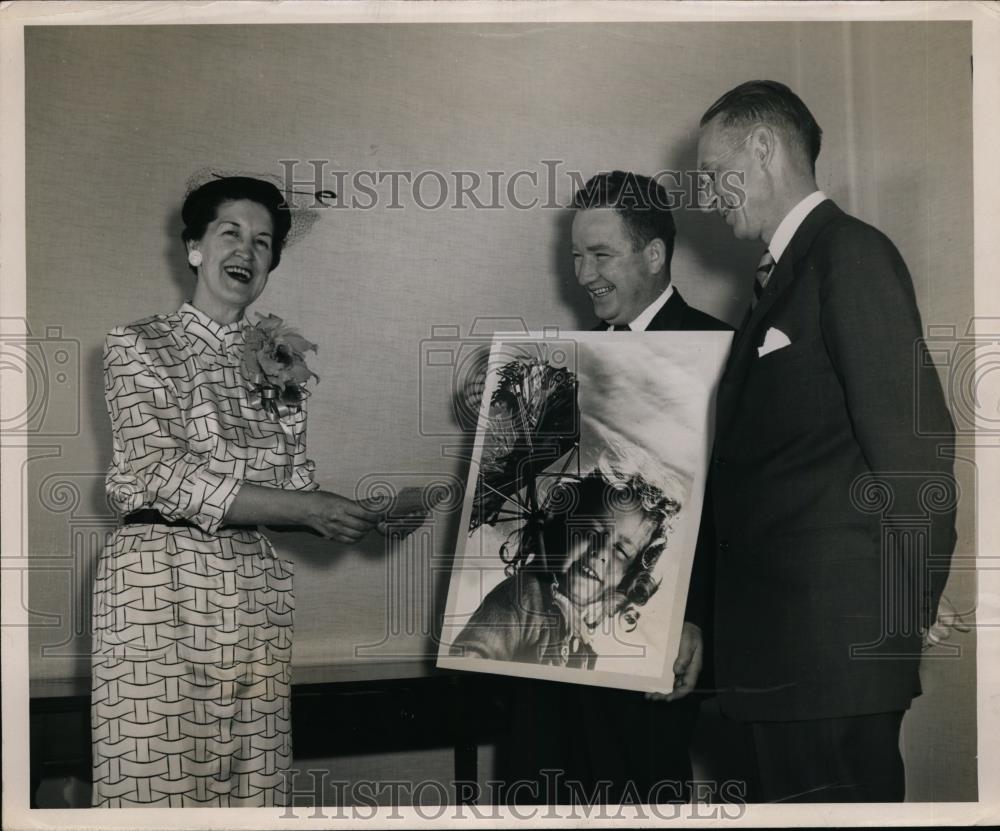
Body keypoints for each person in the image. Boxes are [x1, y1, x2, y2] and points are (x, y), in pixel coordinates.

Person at [695, 80, 957, 802]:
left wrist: (907, 608)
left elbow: (914, 453)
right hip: (785, 662)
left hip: (831, 661)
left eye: (716, 173)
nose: (711, 195)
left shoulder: (850, 254)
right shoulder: (784, 275)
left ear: (763, 147)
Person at [91, 175, 385, 807]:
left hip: (255, 587)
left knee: (253, 789)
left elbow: (294, 485)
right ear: (195, 247)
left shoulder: (282, 362)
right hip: (157, 582)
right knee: (156, 789)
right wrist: (308, 508)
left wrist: (345, 515)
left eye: (263, 242)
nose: (247, 252)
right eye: (230, 233)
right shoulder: (138, 345)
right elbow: (164, 474)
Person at [451, 469, 678, 667]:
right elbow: (470, 659)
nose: (599, 553)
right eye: (591, 531)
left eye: (621, 551)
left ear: (628, 577)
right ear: (560, 529)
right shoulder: (524, 596)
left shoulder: (580, 635)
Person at [571, 170, 731, 333]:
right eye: (577, 255)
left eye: (601, 255)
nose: (584, 277)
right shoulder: (574, 352)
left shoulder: (725, 348)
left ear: (654, 256)